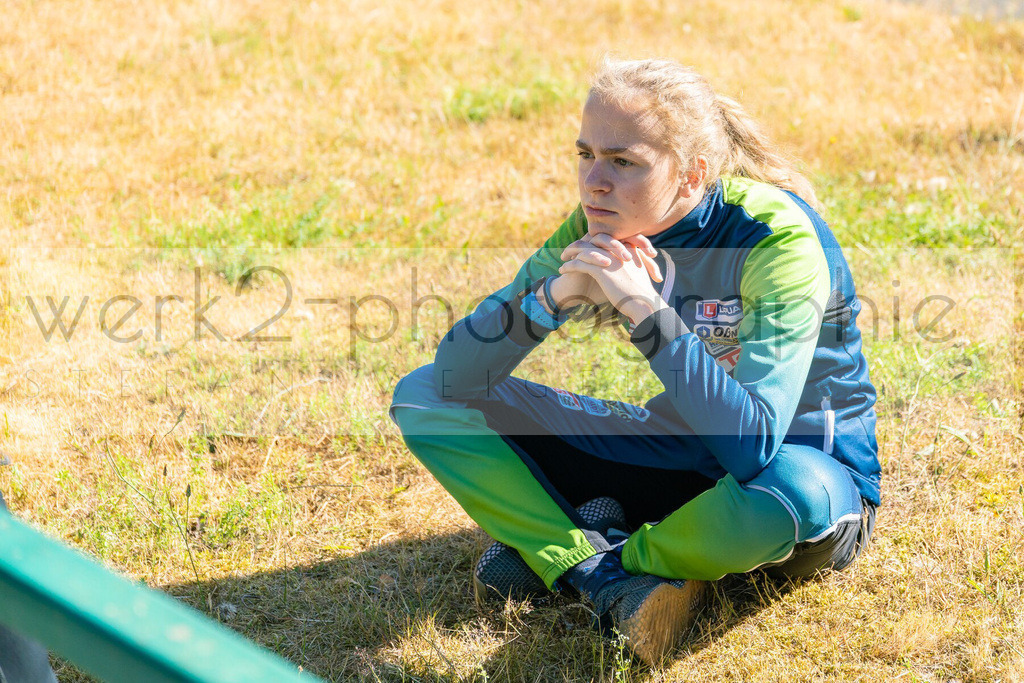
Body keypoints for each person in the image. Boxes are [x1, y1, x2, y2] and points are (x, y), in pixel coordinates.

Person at [389, 57, 880, 665]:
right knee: (424, 397)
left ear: (691, 174)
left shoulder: (773, 237)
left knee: (790, 494)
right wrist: (556, 294)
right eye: (586, 154)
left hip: (797, 478)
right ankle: (598, 571)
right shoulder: (600, 223)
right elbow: (456, 374)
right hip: (676, 454)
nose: (595, 182)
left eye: (623, 161)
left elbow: (751, 446)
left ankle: (611, 554)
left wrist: (646, 310)